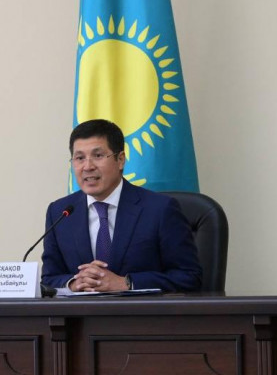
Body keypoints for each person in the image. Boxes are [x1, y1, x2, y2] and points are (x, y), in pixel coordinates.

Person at [41, 119, 202, 292]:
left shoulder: (160, 209)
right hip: (81, 310)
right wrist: (74, 283)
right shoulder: (60, 212)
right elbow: (49, 278)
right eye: (79, 158)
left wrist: (126, 283)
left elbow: (189, 277)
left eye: (98, 156)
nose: (87, 166)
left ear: (120, 160)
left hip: (139, 310)